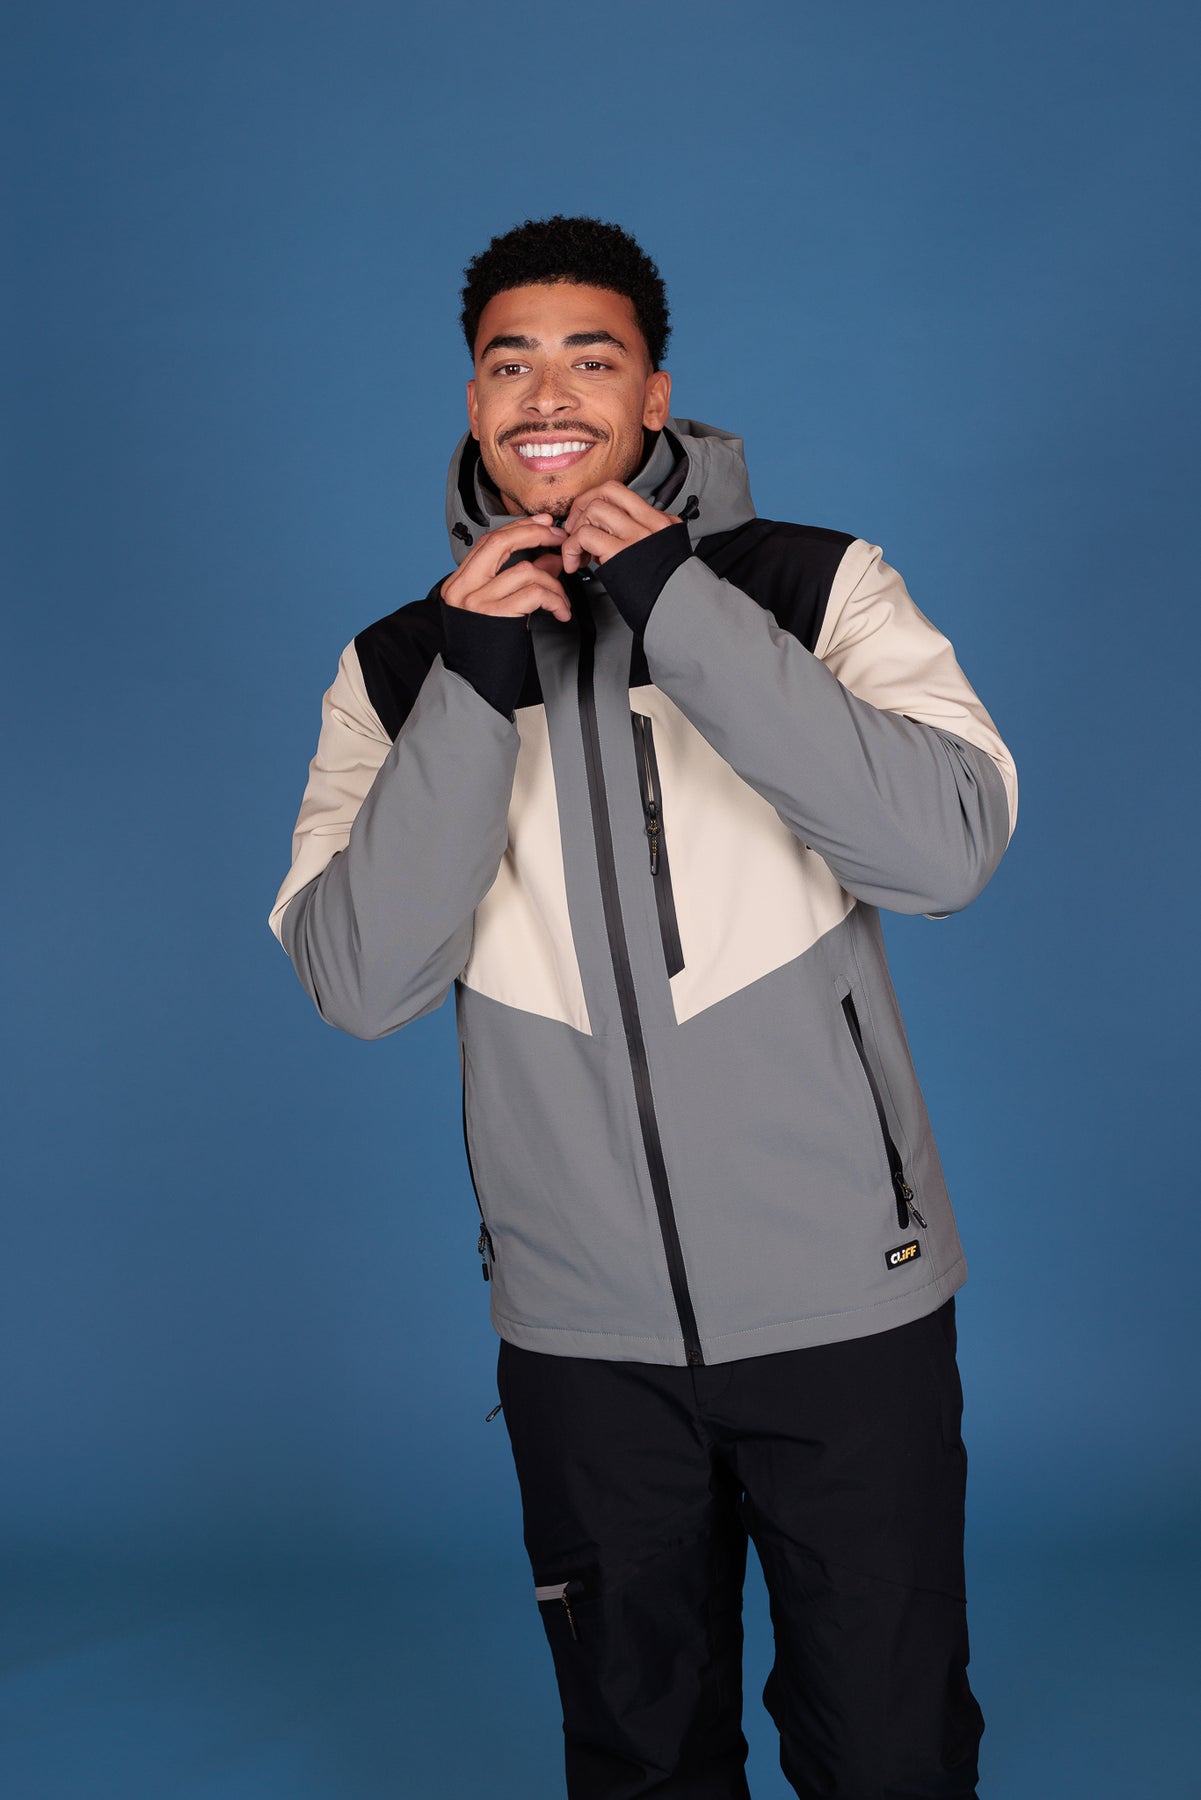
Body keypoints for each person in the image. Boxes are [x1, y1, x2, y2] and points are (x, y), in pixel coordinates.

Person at [268, 214, 1017, 1799]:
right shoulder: (397, 668)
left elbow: (942, 851)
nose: (548, 393)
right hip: (578, 1334)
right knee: (638, 1761)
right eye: (510, 364)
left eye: (589, 358)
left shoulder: (815, 585)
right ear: (475, 403)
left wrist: (675, 600)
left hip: (846, 1305)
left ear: (653, 395)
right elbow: (359, 979)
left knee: (889, 1752)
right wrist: (475, 685)